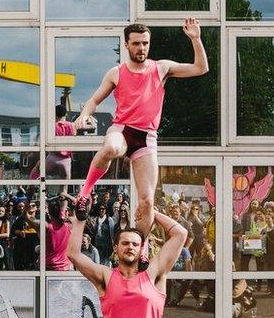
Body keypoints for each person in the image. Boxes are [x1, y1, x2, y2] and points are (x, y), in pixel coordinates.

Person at [72, 19, 208, 245]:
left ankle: (141, 248)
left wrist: (195, 38)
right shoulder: (116, 72)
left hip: (147, 137)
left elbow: (200, 68)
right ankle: (84, 194)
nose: (141, 48)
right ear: (126, 45)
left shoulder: (161, 68)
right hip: (123, 129)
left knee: (147, 201)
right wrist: (84, 115)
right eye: (136, 43)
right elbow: (94, 99)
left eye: (145, 43)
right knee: (111, 147)